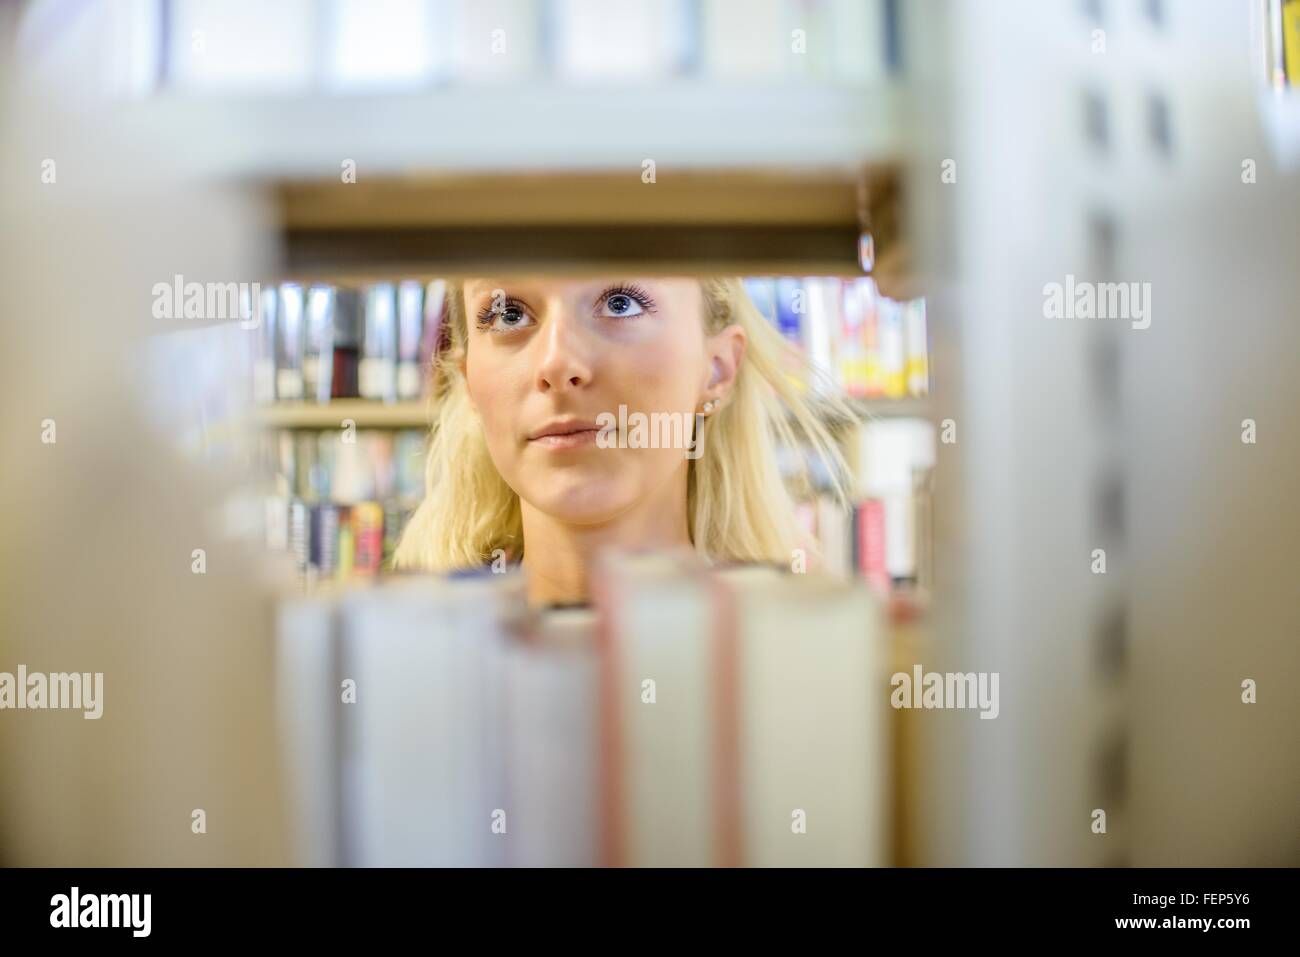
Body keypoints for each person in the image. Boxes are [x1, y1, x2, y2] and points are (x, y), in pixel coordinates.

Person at [395, 277, 848, 605]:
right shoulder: (412, 668)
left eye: (620, 304)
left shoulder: (799, 663)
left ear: (717, 369)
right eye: (508, 314)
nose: (557, 363)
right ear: (469, 380)